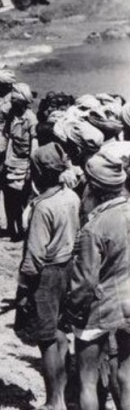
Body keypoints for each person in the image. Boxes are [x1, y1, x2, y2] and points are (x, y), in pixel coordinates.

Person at [14, 142, 80, 410]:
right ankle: (62, 394)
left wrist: (23, 291)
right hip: (69, 268)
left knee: (46, 337)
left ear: (40, 171)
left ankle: (54, 400)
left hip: (47, 274)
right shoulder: (71, 197)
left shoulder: (42, 207)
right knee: (61, 331)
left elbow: (34, 256)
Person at [65, 149, 130, 410]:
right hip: (128, 302)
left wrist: (70, 311)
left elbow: (85, 282)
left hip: (100, 307)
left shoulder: (94, 227)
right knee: (126, 375)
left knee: (87, 379)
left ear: (93, 187)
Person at [2, 83, 38, 241]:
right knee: (10, 199)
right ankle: (12, 228)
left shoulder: (30, 119)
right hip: (11, 161)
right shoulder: (12, 115)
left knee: (21, 199)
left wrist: (30, 168)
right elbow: (8, 138)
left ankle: (22, 229)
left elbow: (33, 146)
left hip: (23, 164)